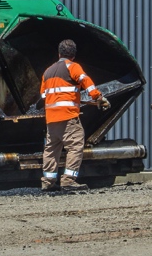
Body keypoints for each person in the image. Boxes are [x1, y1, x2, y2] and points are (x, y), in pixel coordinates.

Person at [39, 39, 110, 192]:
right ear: (73, 55)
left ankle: (48, 181)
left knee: (51, 149)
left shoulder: (48, 71)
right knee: (76, 144)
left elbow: (44, 95)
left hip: (51, 119)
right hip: (67, 116)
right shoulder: (73, 67)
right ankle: (68, 180)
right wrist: (97, 97)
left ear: (59, 54)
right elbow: (86, 81)